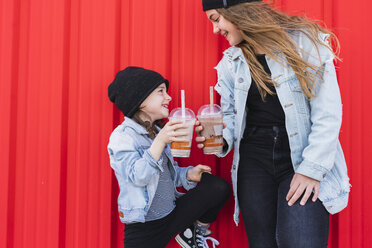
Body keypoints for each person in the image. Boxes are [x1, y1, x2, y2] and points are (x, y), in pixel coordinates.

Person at [195, 0, 350, 247]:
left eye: (216, 19)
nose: (216, 30)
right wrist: (219, 137)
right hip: (254, 161)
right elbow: (232, 116)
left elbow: (328, 112)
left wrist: (311, 169)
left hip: (300, 155)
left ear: (238, 12)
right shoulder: (231, 61)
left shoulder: (304, 41)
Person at [107, 66, 230, 248]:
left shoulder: (158, 131)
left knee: (218, 186)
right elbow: (139, 177)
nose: (169, 97)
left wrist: (188, 174)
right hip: (145, 227)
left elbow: (165, 176)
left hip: (172, 214)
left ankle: (192, 233)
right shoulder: (122, 136)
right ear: (139, 99)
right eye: (160, 91)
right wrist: (161, 141)